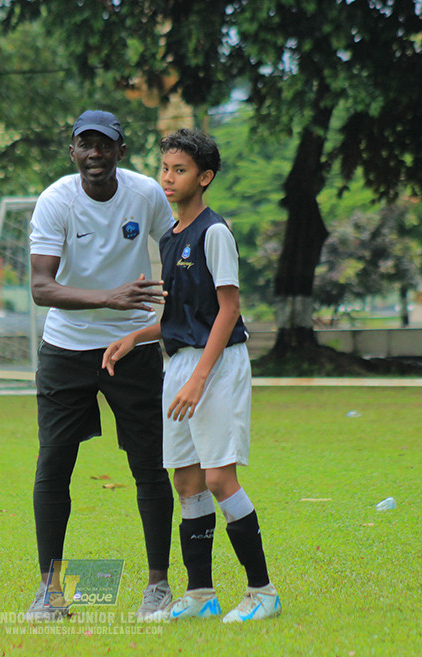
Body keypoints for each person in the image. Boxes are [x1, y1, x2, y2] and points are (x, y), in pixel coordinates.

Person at [103, 128, 281, 623]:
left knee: (220, 477)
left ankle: (262, 591)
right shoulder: (171, 236)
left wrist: (201, 377)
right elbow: (179, 317)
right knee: (187, 481)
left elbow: (227, 310)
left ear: (204, 178)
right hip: (178, 362)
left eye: (179, 170)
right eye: (165, 168)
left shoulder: (214, 232)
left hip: (217, 364)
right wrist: (134, 337)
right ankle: (200, 594)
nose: (167, 178)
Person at [25, 110, 177, 621]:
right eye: (85, 145)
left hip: (132, 348)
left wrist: (179, 303)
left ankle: (157, 588)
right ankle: (50, 593)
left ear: (120, 150)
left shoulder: (145, 194)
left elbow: (177, 245)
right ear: (72, 152)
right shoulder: (55, 201)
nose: (95, 154)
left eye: (104, 145)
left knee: (150, 465)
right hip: (66, 351)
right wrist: (108, 299)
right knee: (54, 465)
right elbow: (41, 287)